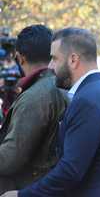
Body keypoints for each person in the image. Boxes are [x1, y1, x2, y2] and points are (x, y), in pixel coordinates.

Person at [1, 27, 100, 197]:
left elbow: (70, 171)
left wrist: (22, 195)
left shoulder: (88, 100)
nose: (50, 66)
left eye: (54, 59)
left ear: (73, 60)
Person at [0, 25, 67, 194]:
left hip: (28, 187)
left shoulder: (35, 96)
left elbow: (10, 159)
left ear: (20, 58)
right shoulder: (58, 85)